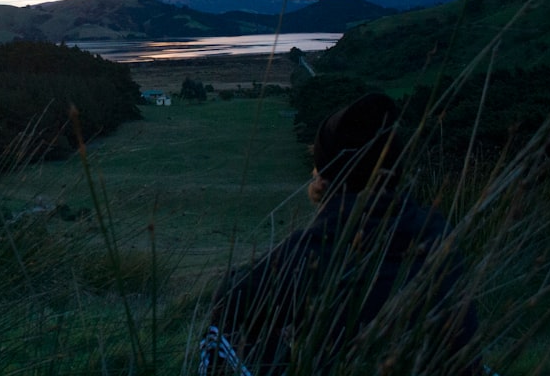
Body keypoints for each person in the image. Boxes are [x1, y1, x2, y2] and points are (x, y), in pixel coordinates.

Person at [198, 93, 479, 375]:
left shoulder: (314, 250)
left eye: (317, 162)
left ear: (324, 176)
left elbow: (231, 296)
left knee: (223, 331)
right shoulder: (439, 232)